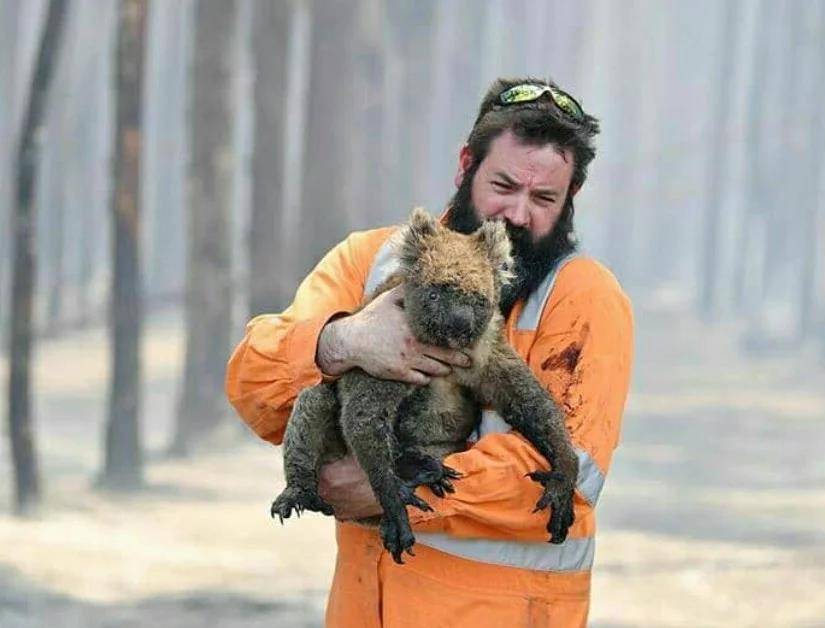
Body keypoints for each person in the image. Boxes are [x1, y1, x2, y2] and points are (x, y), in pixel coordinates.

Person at [226, 77, 634, 627]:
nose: (516, 213)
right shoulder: (372, 259)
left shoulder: (584, 297)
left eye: (543, 199)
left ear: (570, 200)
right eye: (504, 185)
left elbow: (569, 472)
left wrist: (395, 489)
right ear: (466, 165)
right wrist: (340, 342)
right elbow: (253, 385)